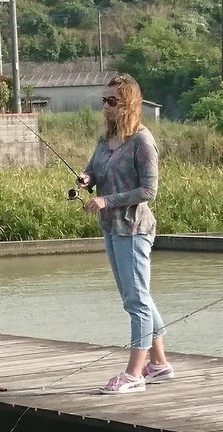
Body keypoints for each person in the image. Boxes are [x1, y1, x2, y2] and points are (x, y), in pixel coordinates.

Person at [76, 74, 173, 395]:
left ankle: (134, 374)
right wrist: (86, 179)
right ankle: (159, 364)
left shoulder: (142, 141)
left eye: (112, 101)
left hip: (134, 229)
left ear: (128, 104)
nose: (106, 106)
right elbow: (93, 170)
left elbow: (148, 190)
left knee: (136, 301)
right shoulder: (105, 140)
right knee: (136, 297)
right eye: (104, 100)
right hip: (111, 227)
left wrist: (107, 200)